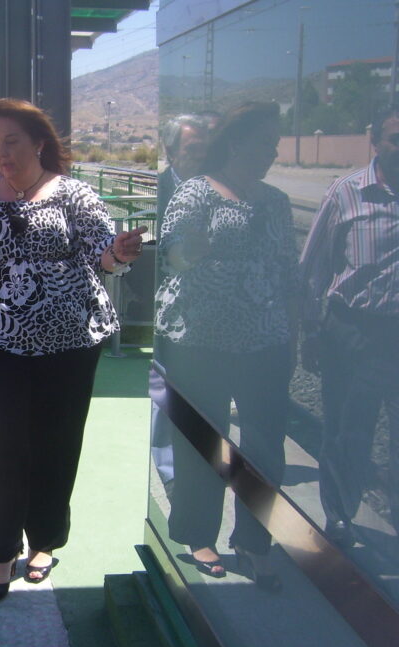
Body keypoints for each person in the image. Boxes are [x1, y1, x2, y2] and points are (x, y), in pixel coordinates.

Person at [0, 98, 146, 602]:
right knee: (1, 451)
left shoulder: (74, 195)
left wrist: (118, 252)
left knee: (56, 445)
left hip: (70, 344)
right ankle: (1, 551)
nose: (2, 153)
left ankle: (44, 542)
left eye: (11, 142)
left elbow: (102, 251)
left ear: (38, 142)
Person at [155, 101, 295, 589]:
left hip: (265, 341)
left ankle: (255, 540)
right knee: (202, 443)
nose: (271, 155)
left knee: (264, 448)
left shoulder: (274, 202)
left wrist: (298, 324)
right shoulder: (196, 193)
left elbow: (286, 268)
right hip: (200, 339)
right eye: (264, 145)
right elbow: (172, 250)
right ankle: (198, 534)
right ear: (236, 144)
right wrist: (188, 250)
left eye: (275, 147)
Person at [299, 105, 399, 548]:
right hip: (353, 329)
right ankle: (340, 515)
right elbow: (313, 268)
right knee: (346, 430)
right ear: (375, 143)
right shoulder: (346, 193)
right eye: (395, 138)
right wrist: (312, 331)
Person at [151, 114, 213, 489]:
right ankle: (169, 469)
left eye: (204, 149)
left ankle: (198, 459)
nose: (200, 156)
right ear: (171, 151)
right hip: (168, 307)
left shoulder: (216, 188)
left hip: (208, 308)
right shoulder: (160, 190)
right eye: (193, 149)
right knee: (166, 381)